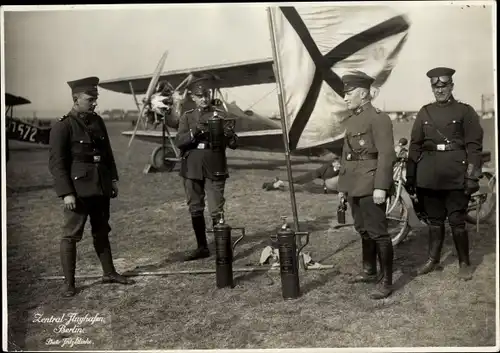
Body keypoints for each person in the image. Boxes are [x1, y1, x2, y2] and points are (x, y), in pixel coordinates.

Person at [49, 76, 134, 297]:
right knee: (71, 235)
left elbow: (107, 154)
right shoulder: (63, 125)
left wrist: (112, 180)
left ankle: (109, 273)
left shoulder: (97, 121)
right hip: (78, 191)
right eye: (90, 98)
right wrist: (67, 193)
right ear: (76, 99)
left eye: (96, 98)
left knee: (102, 230)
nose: (95, 102)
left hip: (101, 185)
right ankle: (69, 283)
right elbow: (57, 164)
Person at [406, 67, 483, 281]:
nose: (440, 90)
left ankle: (464, 263)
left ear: (452, 86)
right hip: (429, 175)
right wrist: (411, 176)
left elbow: (474, 147)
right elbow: (415, 146)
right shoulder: (425, 112)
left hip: (455, 174)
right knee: (434, 220)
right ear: (432, 87)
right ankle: (433, 260)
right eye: (435, 86)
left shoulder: (465, 111)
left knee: (457, 221)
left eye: (444, 85)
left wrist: (471, 176)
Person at [337, 70, 396, 300]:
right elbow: (346, 157)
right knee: (362, 228)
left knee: (378, 232)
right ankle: (369, 271)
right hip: (354, 183)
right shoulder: (352, 120)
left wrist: (381, 186)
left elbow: (386, 154)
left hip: (371, 183)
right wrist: (343, 188)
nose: (345, 98)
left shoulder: (378, 118)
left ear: (363, 93)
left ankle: (387, 281)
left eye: (349, 93)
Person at [175, 82, 238, 261]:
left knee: (216, 208)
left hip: (214, 165)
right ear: (193, 98)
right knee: (195, 207)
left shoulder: (221, 115)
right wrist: (195, 132)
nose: (204, 99)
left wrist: (229, 134)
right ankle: (202, 247)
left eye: (206, 95)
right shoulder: (187, 117)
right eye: (199, 96)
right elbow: (179, 141)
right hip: (192, 167)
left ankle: (223, 249)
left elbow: (234, 144)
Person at [262, 158, 341, 193]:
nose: (339, 165)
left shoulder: (338, 171)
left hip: (320, 182)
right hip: (315, 175)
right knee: (297, 180)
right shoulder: (328, 166)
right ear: (334, 163)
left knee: (300, 186)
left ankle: (276, 184)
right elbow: (319, 172)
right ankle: (278, 183)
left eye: (340, 164)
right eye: (338, 163)